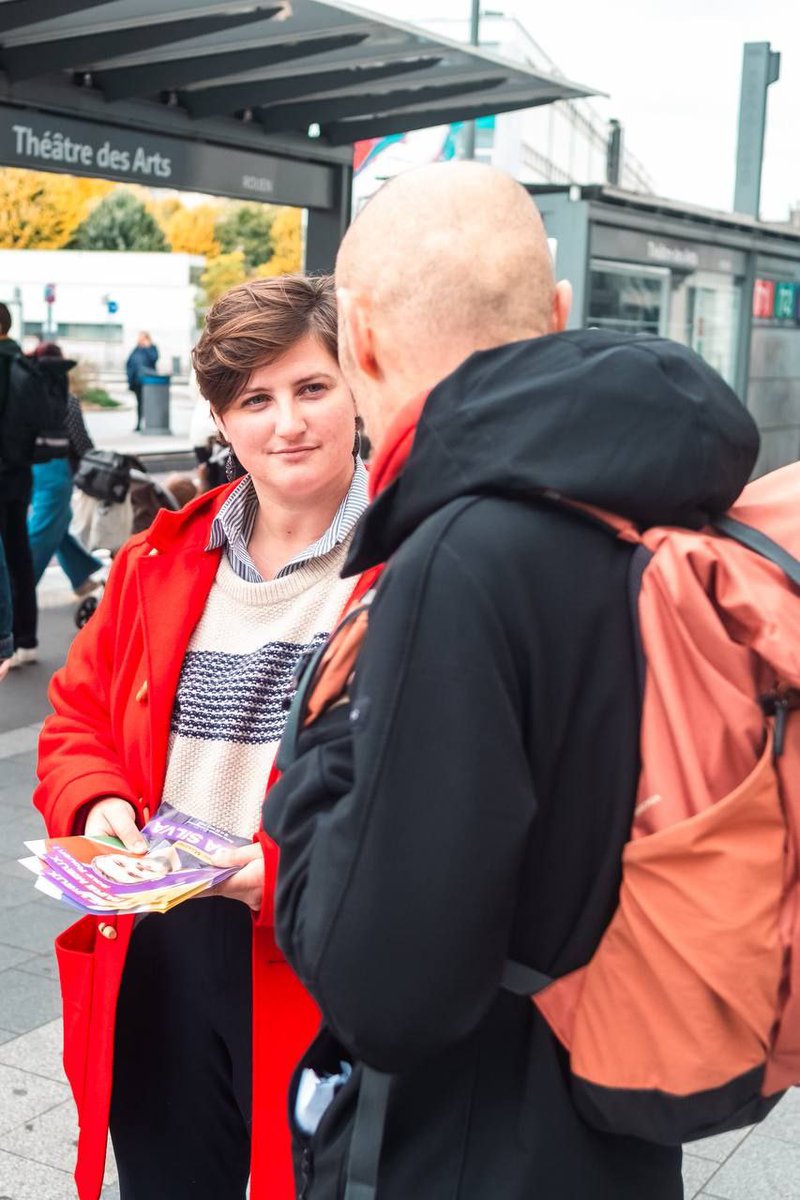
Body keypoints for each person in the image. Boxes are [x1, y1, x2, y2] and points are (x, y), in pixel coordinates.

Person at [263, 162, 760, 1198]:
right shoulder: (666, 503)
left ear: (354, 339)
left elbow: (384, 996)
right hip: (613, 1126)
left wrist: (306, 766)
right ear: (557, 310)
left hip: (463, 1149)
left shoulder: (458, 559)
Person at [35, 273, 372, 1200]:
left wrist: (299, 869)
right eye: (255, 400)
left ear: (357, 389)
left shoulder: (413, 560)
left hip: (313, 953)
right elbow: (74, 720)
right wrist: (97, 802)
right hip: (159, 947)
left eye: (312, 388)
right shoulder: (162, 559)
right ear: (223, 420)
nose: (287, 423)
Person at [26, 342, 105, 598]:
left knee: (57, 522)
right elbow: (80, 441)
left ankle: (80, 575)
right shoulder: (65, 399)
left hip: (30, 468)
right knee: (43, 530)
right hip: (56, 472)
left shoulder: (27, 392)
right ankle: (19, 589)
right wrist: (96, 462)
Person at [0, 301, 45, 667]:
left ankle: (7, 642)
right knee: (19, 553)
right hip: (21, 473)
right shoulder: (27, 364)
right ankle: (27, 638)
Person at [125, 331, 158, 431]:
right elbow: (129, 362)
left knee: (149, 403)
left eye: (143, 338)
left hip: (148, 382)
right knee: (139, 403)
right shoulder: (136, 349)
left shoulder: (152, 348)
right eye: (140, 338)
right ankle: (139, 424)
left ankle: (150, 424)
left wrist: (148, 347)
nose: (140, 340)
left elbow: (154, 358)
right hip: (137, 382)